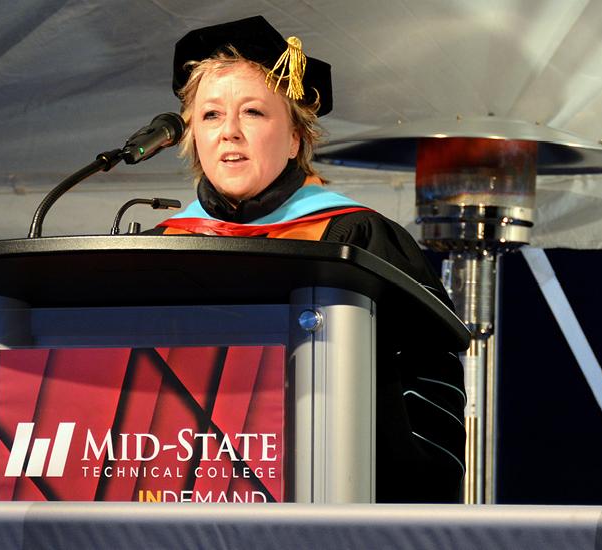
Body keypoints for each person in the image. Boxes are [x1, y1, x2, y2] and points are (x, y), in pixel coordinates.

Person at [152, 16, 467, 502]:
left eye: (253, 112)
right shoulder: (161, 247)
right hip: (180, 493)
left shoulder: (355, 237)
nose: (229, 132)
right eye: (211, 115)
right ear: (192, 134)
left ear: (296, 138)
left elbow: (429, 381)